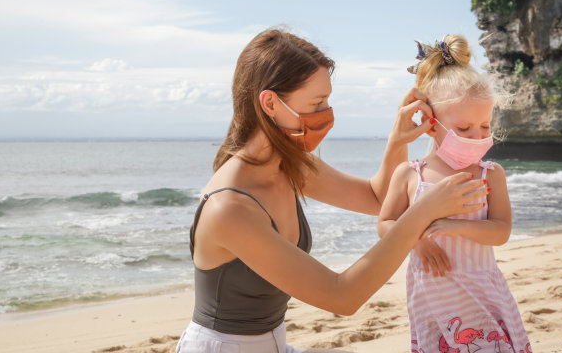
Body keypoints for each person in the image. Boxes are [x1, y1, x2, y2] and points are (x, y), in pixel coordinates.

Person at [176, 28, 488, 353]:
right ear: (270, 102)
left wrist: (397, 140)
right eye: (317, 102)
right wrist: (422, 212)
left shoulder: (288, 164)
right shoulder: (230, 207)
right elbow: (342, 296)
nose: (327, 114)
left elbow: (377, 199)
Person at [378, 35, 532, 353]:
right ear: (431, 125)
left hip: (483, 294)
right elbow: (385, 223)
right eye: (464, 129)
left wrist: (452, 227)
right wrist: (418, 243)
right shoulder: (410, 174)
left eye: (485, 126)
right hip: (431, 298)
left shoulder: (491, 174)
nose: (477, 137)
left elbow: (500, 231)